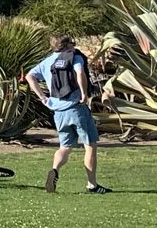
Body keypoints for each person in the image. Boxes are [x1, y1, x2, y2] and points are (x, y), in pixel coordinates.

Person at [27, 36, 108, 194]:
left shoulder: (48, 61)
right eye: (72, 43)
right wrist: (84, 94)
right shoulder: (75, 57)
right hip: (77, 108)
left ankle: (55, 169)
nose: (75, 45)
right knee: (90, 145)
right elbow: (80, 73)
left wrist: (43, 97)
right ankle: (92, 184)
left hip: (58, 111)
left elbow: (30, 76)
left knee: (65, 146)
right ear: (66, 45)